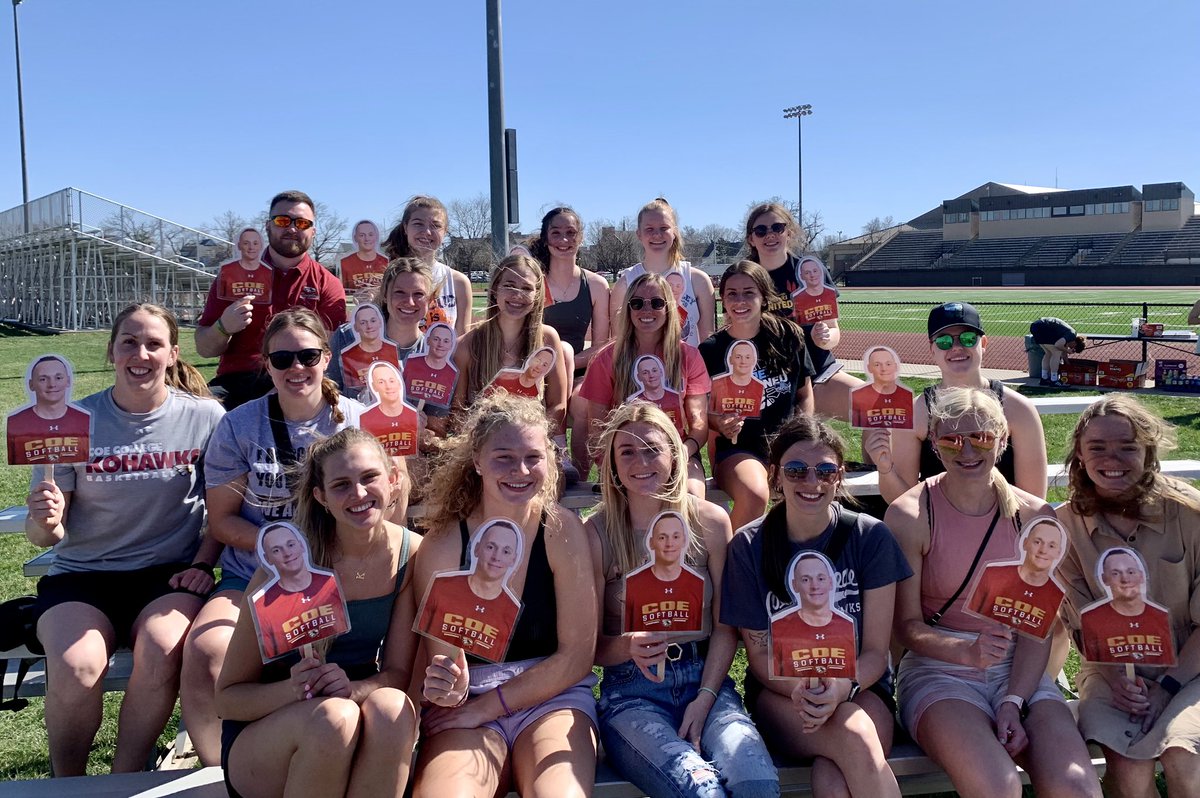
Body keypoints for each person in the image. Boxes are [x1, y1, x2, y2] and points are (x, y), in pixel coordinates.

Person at [24, 303, 224, 776]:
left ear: (173, 353)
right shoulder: (72, 420)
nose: (141, 353)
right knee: (77, 667)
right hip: (82, 576)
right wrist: (46, 520)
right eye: (129, 342)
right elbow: (41, 536)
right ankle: (66, 782)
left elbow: (223, 510)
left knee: (163, 649)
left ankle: (125, 776)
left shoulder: (207, 418)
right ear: (111, 350)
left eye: (154, 343)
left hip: (166, 576)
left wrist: (201, 563)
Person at [181, 309, 379, 766]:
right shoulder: (238, 425)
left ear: (326, 358)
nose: (296, 368)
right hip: (255, 575)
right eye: (283, 357)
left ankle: (341, 754)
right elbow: (223, 521)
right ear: (266, 363)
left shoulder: (358, 420)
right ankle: (220, 771)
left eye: (308, 355)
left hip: (339, 577)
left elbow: (384, 503)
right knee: (206, 649)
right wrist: (284, 553)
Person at [886, 387, 1100, 798]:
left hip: (1020, 667)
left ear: (1003, 441)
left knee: (1077, 788)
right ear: (934, 442)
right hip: (940, 669)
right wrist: (965, 652)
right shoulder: (910, 514)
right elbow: (907, 628)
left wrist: (1013, 701)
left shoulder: (1035, 516)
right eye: (952, 439)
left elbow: (1038, 628)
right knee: (997, 788)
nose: (967, 450)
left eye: (982, 438)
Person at [216, 427, 421, 798]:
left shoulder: (412, 556)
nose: (358, 494)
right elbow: (228, 697)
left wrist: (354, 689)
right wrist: (293, 689)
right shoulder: (287, 564)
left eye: (370, 477)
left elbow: (399, 675)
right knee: (333, 719)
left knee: (392, 709)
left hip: (359, 718)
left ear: (393, 480)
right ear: (321, 497)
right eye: (341, 485)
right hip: (271, 736)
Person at [411, 393, 598, 798]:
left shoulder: (561, 531)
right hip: (468, 707)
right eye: (504, 457)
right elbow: (444, 660)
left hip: (553, 696)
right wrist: (450, 684)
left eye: (533, 456)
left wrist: (490, 706)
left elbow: (576, 657)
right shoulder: (445, 545)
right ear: (477, 460)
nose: (521, 470)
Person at [587, 402, 777, 798]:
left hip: (705, 679)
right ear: (612, 464)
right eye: (627, 452)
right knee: (700, 790)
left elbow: (726, 625)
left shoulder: (710, 520)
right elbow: (586, 646)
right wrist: (624, 646)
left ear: (674, 455)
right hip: (631, 693)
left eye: (652, 449)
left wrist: (705, 698)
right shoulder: (598, 531)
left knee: (756, 784)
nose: (641, 461)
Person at [723, 414, 909, 796]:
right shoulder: (748, 545)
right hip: (781, 692)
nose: (812, 482)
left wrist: (843, 687)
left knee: (834, 772)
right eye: (796, 470)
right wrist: (806, 689)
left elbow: (876, 651)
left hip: (862, 685)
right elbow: (759, 656)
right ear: (774, 475)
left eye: (825, 471)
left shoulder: (870, 537)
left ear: (839, 476)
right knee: (854, 736)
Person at [1056, 394, 1200, 795]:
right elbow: (1085, 625)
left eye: (1127, 447)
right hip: (1111, 670)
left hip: (1191, 669)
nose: (1112, 459)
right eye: (1097, 448)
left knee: (1183, 756)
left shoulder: (1190, 514)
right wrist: (1121, 679)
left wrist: (1166, 687)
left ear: (1149, 451)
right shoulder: (1066, 526)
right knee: (1131, 772)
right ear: (1080, 457)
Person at [870, 301, 1047, 504]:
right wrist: (885, 470)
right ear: (931, 349)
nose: (956, 347)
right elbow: (902, 502)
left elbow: (1034, 499)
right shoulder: (915, 412)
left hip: (1005, 527)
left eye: (968, 339)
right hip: (938, 530)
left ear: (984, 344)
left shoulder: (1019, 410)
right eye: (944, 341)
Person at [196, 190, 346, 410]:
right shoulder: (232, 275)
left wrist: (280, 391)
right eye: (283, 220)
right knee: (196, 411)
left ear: (313, 231)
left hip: (297, 377)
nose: (292, 228)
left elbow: (327, 356)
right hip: (236, 382)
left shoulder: (327, 284)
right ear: (267, 226)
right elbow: (204, 349)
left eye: (302, 223)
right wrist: (223, 327)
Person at [699, 260, 815, 529]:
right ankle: (732, 560)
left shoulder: (788, 336)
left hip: (786, 445)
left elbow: (804, 394)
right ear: (723, 300)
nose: (740, 300)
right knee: (755, 493)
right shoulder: (711, 350)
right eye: (732, 294)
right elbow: (699, 409)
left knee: (814, 487)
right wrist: (718, 422)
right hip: (738, 449)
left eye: (749, 292)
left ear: (763, 297)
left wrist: (804, 435)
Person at [581, 272, 711, 497]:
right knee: (631, 497)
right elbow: (596, 427)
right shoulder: (607, 359)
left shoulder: (688, 356)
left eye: (657, 303)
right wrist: (612, 465)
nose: (646, 310)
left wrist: (683, 450)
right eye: (637, 303)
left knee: (691, 496)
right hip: (626, 453)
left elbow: (699, 424)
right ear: (629, 309)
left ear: (669, 308)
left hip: (678, 449)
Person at [743, 203, 863, 421]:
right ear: (751, 239)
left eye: (777, 227)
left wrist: (824, 338)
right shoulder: (743, 278)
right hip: (770, 381)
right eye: (761, 230)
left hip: (819, 374)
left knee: (876, 407)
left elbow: (834, 331)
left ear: (789, 232)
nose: (770, 234)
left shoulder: (810, 271)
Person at [451, 255, 570, 452]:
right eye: (509, 285)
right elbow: (457, 412)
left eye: (526, 288)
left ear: (537, 294)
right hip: (483, 447)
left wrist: (530, 437)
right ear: (495, 289)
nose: (517, 294)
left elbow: (558, 405)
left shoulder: (547, 338)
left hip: (533, 444)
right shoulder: (466, 345)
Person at [527, 207, 611, 474]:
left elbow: (601, 346)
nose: (564, 240)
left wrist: (566, 363)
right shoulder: (533, 283)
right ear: (545, 238)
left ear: (581, 238)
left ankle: (578, 477)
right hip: (536, 370)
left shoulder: (596, 285)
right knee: (557, 352)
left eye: (570, 233)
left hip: (578, 369)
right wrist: (552, 364)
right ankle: (552, 457)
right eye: (556, 233)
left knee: (583, 400)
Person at [609, 198, 715, 347]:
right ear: (639, 234)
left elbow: (707, 342)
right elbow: (618, 343)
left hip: (688, 368)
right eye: (649, 229)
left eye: (664, 228)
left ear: (675, 232)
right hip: (642, 368)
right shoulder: (626, 282)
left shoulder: (698, 280)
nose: (657, 235)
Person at [414, 519, 523, 659]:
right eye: (490, 547)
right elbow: (436, 659)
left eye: (506, 551)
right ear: (477, 549)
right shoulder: (442, 586)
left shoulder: (512, 608)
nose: (496, 557)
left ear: (513, 560)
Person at [328, 258, 436, 399]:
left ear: (431, 299)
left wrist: (421, 420)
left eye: (419, 294)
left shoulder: (435, 353)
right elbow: (328, 399)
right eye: (399, 292)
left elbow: (436, 418)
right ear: (385, 294)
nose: (409, 302)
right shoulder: (348, 337)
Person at [250, 523, 348, 661]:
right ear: (267, 559)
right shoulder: (263, 604)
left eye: (290, 545)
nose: (287, 553)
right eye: (276, 550)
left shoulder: (329, 584)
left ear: (302, 545)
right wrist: (291, 683)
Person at [964, 518, 1067, 640]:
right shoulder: (992, 575)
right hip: (974, 641)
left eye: (1051, 546)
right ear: (1025, 543)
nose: (1043, 550)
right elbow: (970, 619)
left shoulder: (1056, 595)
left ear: (1059, 553)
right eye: (1037, 542)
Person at [381, 196, 471, 335]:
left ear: (445, 231)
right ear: (405, 227)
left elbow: (462, 341)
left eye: (436, 225)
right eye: (418, 223)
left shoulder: (458, 282)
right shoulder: (387, 276)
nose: (427, 232)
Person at [768, 553, 858, 679]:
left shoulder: (847, 626)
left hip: (843, 697)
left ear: (831, 582)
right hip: (789, 696)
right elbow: (774, 678)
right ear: (795, 585)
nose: (815, 586)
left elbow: (852, 677)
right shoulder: (779, 626)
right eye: (805, 579)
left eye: (821, 579)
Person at [1077, 548, 1173, 666]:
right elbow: (1097, 666)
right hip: (1112, 681)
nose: (1125, 579)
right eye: (1115, 573)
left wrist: (1163, 683)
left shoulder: (1161, 617)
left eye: (1131, 572)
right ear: (1104, 579)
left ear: (1141, 576)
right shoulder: (1091, 618)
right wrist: (1115, 678)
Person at [621, 511, 706, 633]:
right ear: (651, 543)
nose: (669, 544)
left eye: (675, 537)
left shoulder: (697, 583)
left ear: (684, 541)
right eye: (662, 537)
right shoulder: (633, 583)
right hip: (642, 651)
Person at [7, 355, 91, 466]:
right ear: (31, 385)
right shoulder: (16, 423)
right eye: (43, 379)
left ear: (68, 381)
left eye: (58, 378)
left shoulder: (84, 420)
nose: (52, 384)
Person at [361, 361, 420, 458]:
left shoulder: (413, 415)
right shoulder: (365, 419)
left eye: (391, 381)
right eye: (381, 382)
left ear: (399, 383)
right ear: (374, 386)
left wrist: (420, 434)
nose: (388, 387)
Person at [339, 303, 401, 394]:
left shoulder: (393, 350)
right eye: (363, 322)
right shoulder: (347, 356)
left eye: (373, 321)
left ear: (380, 322)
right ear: (356, 327)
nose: (369, 326)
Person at [850, 345, 914, 429]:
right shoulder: (858, 395)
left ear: (895, 366)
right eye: (877, 365)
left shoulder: (907, 395)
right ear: (869, 368)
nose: (884, 369)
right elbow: (857, 429)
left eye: (888, 364)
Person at [403, 321, 458, 418]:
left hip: (433, 424)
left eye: (446, 341)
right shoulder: (411, 362)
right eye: (436, 339)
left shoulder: (453, 373)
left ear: (451, 345)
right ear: (428, 340)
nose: (440, 344)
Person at [709, 339, 766, 422]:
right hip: (722, 434)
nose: (743, 362)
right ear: (731, 359)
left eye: (747, 357)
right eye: (738, 357)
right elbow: (710, 420)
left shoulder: (759, 387)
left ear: (754, 360)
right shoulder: (717, 384)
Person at [214, 228, 272, 304]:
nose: (251, 247)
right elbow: (215, 308)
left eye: (255, 243)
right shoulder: (226, 270)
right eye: (246, 243)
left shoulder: (268, 273)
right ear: (239, 246)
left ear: (261, 246)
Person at [628, 354, 684, 426]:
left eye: (654, 370)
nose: (651, 375)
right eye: (645, 372)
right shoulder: (634, 403)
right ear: (639, 377)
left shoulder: (675, 398)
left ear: (661, 372)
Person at [484, 346, 558, 399]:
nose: (539, 367)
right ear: (530, 360)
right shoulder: (505, 376)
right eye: (537, 361)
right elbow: (482, 401)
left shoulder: (536, 394)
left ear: (547, 370)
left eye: (544, 365)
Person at [1029, 317, 1086, 386]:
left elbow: (1064, 353)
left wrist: (1067, 362)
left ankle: (1044, 378)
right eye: (1073, 348)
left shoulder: (1068, 337)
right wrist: (1067, 350)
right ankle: (1054, 380)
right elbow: (1058, 345)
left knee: (1048, 353)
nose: (1071, 348)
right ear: (1075, 343)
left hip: (1036, 326)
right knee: (1056, 353)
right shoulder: (1072, 335)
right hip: (1043, 327)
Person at [340, 219, 389, 296]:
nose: (367, 239)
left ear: (376, 237)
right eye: (362, 235)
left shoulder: (387, 262)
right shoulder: (344, 263)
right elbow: (342, 293)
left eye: (370, 234)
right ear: (355, 238)